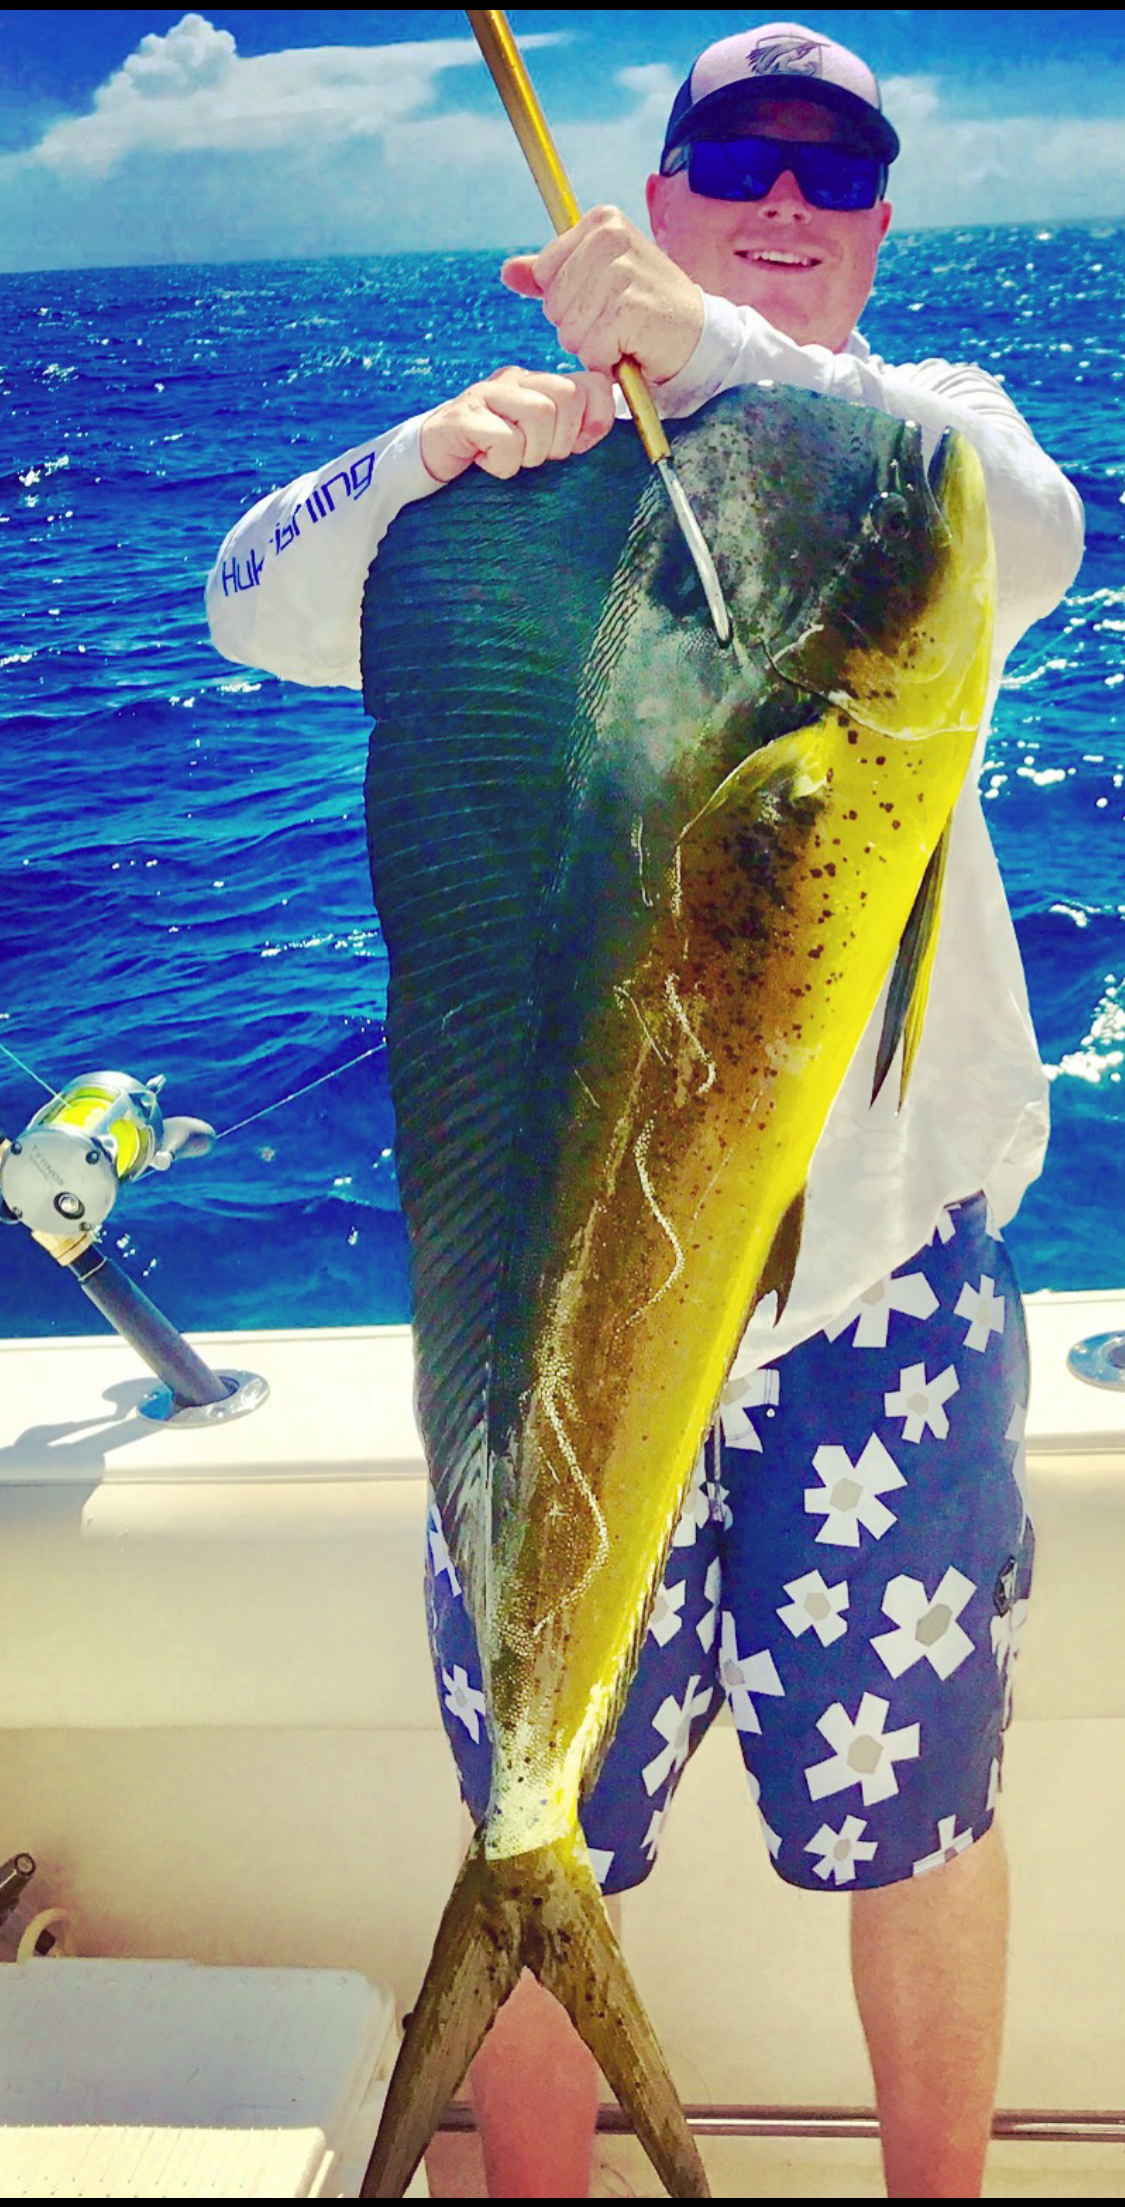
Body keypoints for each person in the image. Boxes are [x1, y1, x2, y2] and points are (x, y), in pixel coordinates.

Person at [207, 22, 1084, 2199]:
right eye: (736, 165)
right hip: (570, 1283)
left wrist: (713, 353)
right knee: (543, 1802)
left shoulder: (927, 447)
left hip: (880, 1279)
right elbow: (247, 603)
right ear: (657, 187)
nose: (788, 203)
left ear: (880, 227)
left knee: (926, 1808)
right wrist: (433, 454)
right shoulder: (540, 470)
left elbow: (1034, 525)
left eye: (837, 173)